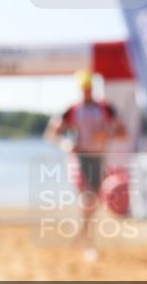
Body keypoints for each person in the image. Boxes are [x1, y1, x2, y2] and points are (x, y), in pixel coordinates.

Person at [44, 70, 127, 261]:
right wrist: (65, 143)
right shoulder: (72, 110)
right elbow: (51, 133)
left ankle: (82, 234)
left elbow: (124, 133)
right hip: (79, 158)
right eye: (84, 87)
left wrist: (107, 135)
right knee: (88, 198)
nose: (87, 90)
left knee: (94, 200)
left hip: (99, 158)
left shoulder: (106, 108)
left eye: (89, 87)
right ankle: (88, 242)